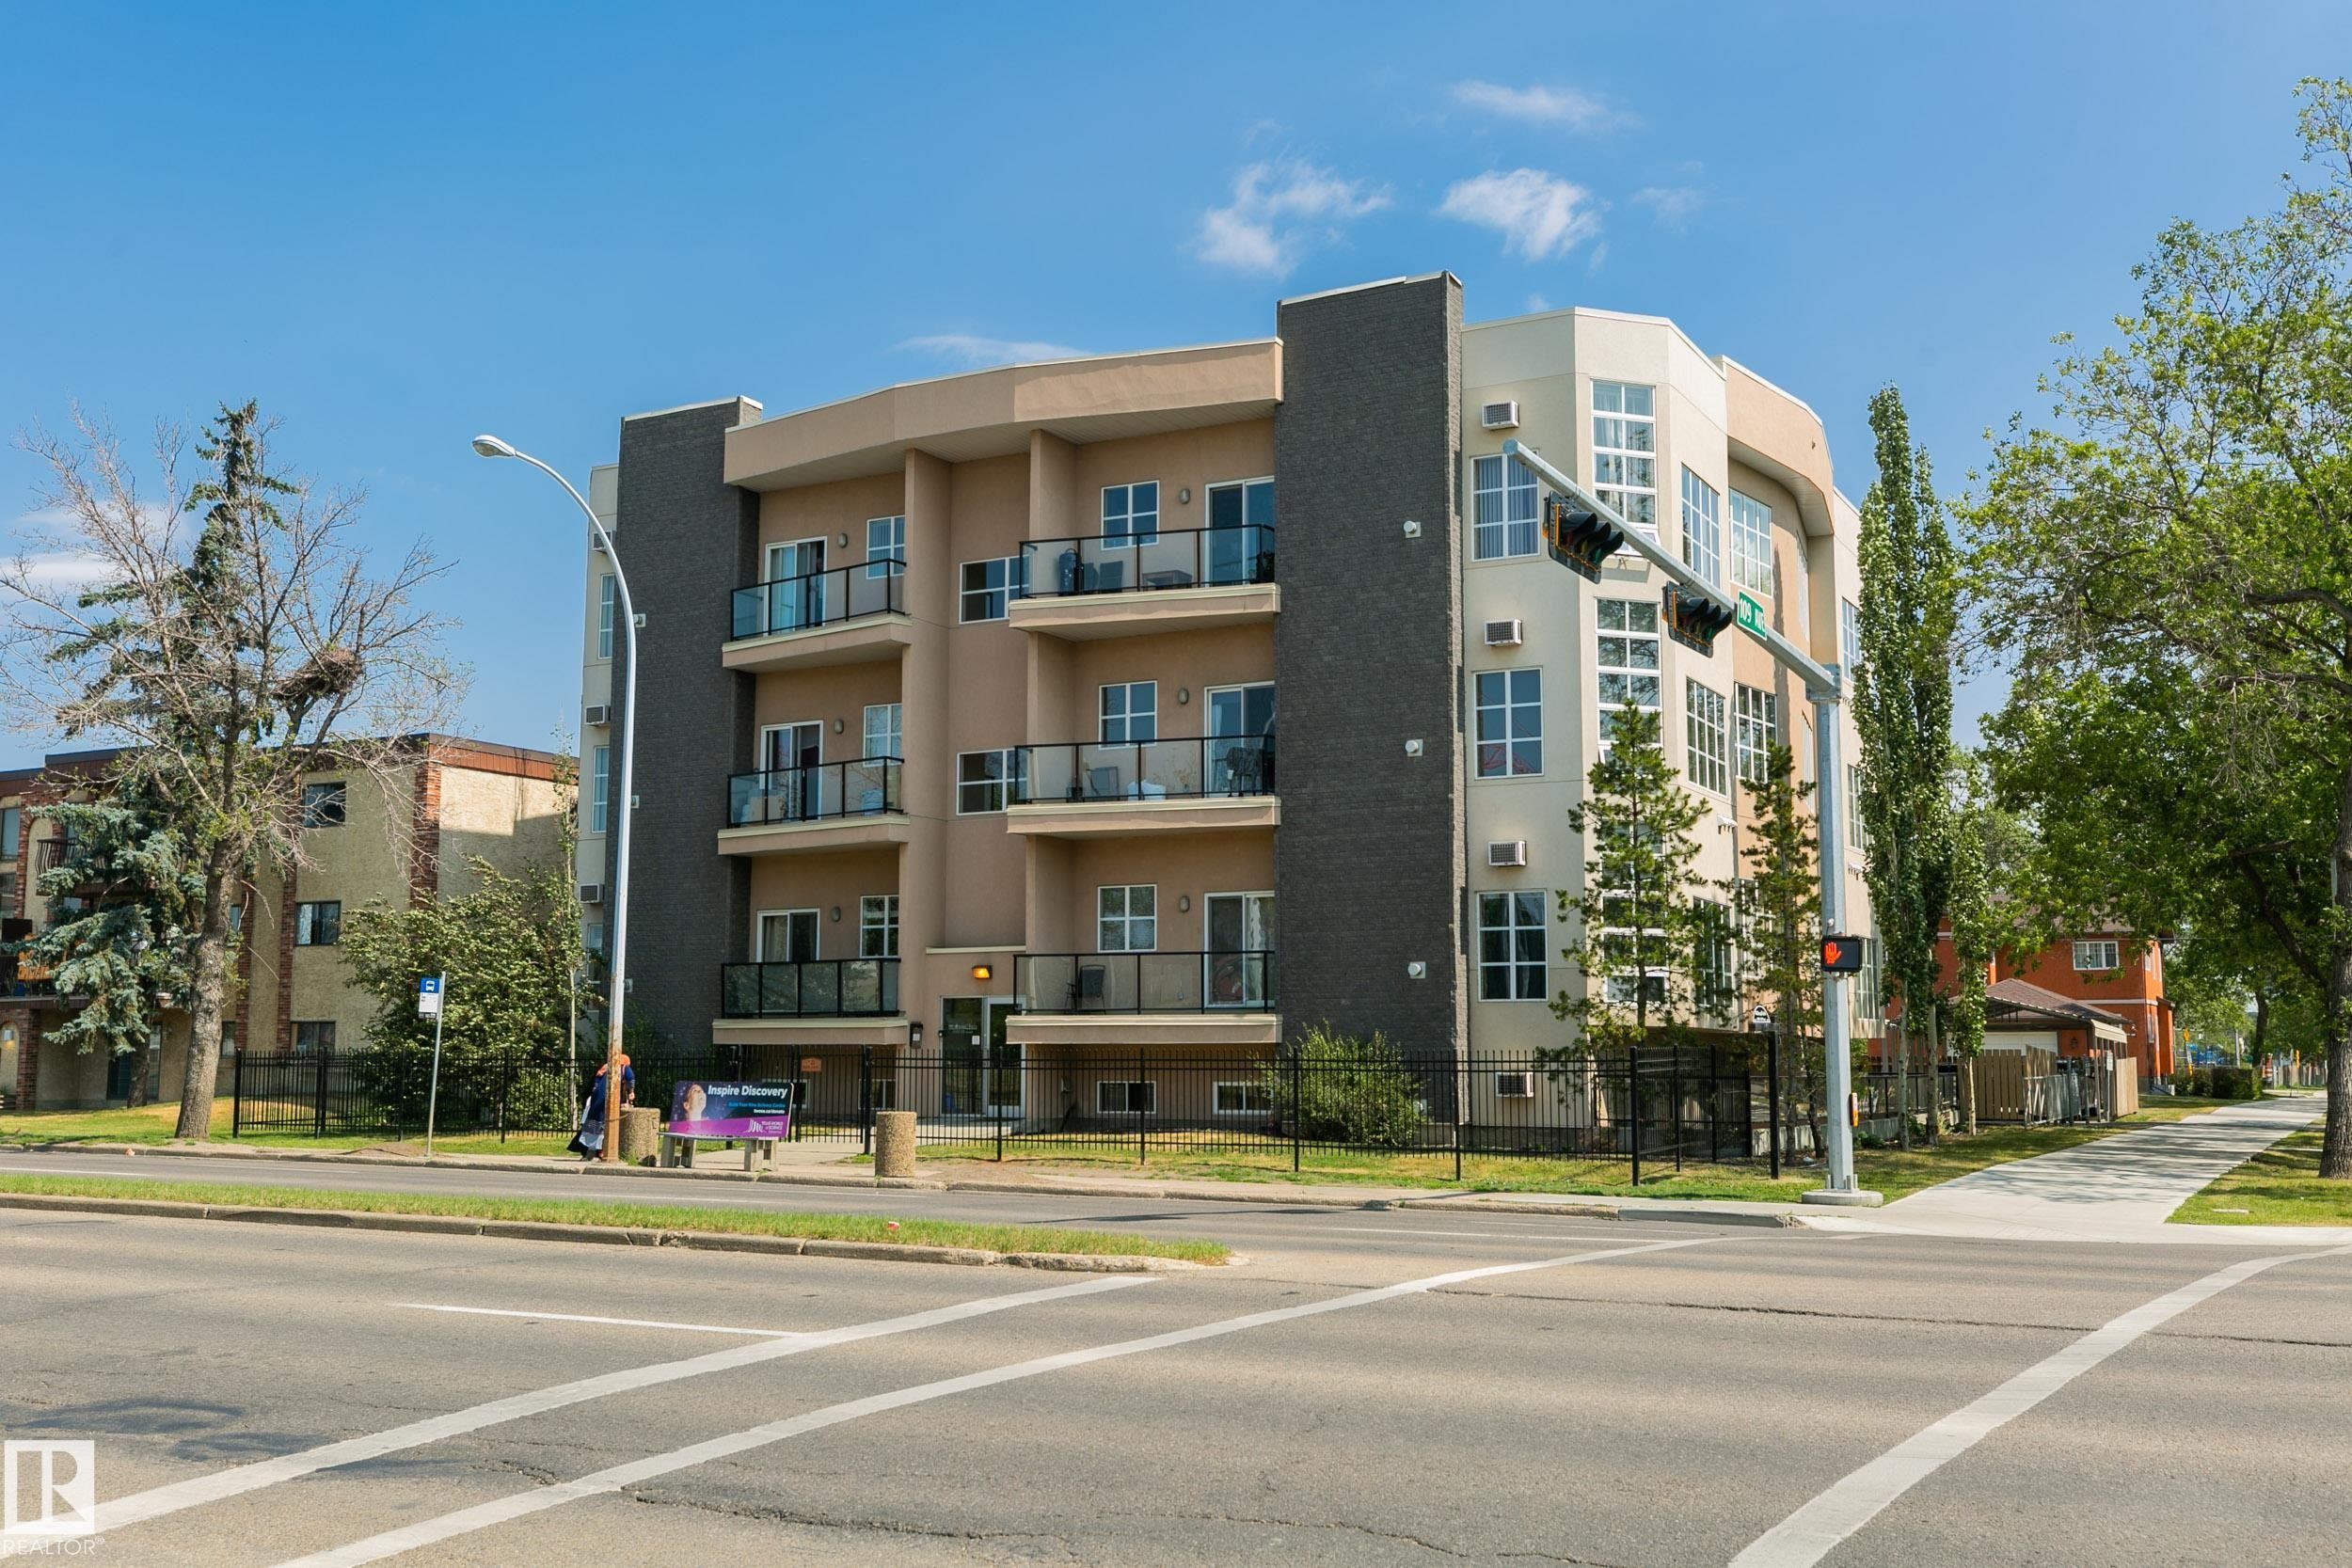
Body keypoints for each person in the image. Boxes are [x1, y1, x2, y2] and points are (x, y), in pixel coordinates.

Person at [569, 1053, 635, 1160]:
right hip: (609, 1099)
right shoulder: (624, 1068)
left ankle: (590, 1150)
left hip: (596, 1099)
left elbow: (596, 1082)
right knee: (607, 1125)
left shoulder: (605, 1067)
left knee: (594, 1124)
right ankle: (602, 1152)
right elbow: (630, 1079)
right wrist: (631, 1092)